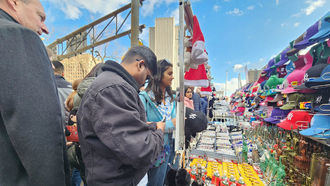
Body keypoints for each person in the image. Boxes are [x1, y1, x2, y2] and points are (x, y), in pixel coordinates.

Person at [0, 0, 69, 185]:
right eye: (41, 17)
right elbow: (40, 135)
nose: (45, 29)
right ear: (14, 3)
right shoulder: (16, 35)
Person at [77, 46, 165, 185]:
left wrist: (141, 127)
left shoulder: (112, 85)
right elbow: (141, 151)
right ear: (140, 65)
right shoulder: (114, 89)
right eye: (147, 78)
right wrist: (160, 131)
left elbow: (116, 134)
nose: (144, 83)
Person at [139, 59, 176, 186]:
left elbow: (176, 122)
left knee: (159, 182)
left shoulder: (171, 99)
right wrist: (166, 125)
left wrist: (160, 125)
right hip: (149, 149)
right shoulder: (144, 97)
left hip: (165, 149)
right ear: (159, 75)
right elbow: (141, 124)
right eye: (169, 74)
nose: (173, 77)